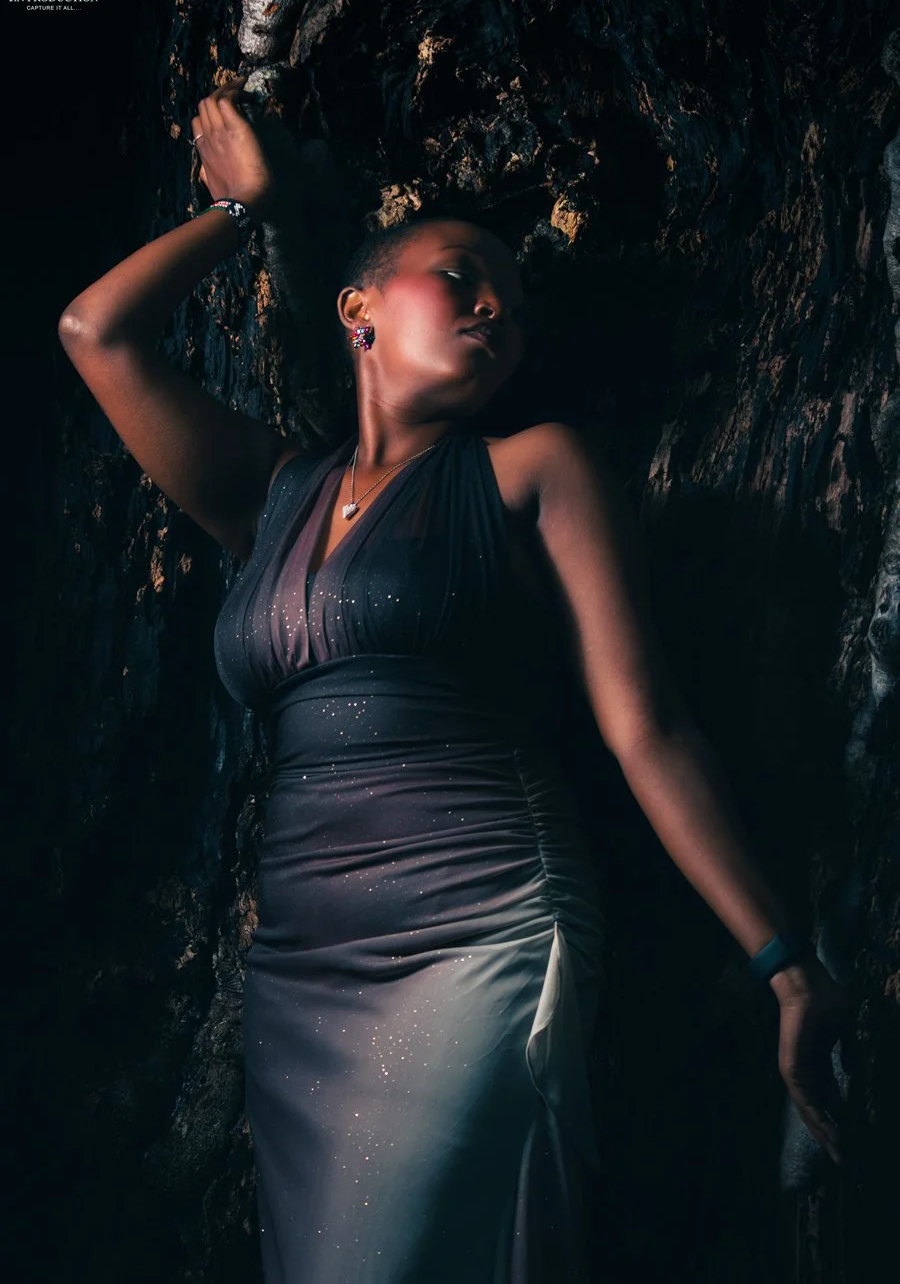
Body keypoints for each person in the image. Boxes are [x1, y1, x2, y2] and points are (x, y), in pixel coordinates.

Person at [58, 77, 851, 1283]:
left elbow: (645, 727)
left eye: (514, 307)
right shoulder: (273, 495)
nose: (496, 309)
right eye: (462, 275)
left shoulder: (534, 468)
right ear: (358, 309)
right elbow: (93, 334)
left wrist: (783, 966)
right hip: (302, 969)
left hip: (477, 920)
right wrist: (244, 210)